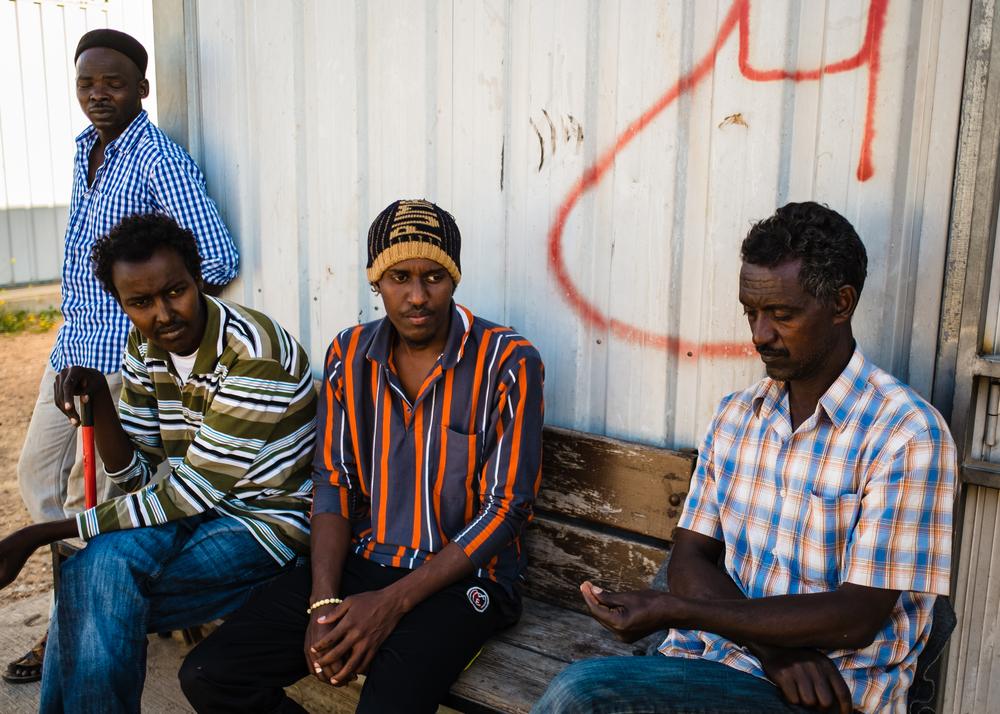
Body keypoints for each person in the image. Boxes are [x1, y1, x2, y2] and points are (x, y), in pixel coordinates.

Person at [532, 202, 955, 714]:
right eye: (750, 312)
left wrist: (677, 610)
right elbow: (689, 559)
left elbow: (857, 614)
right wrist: (771, 649)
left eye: (782, 315)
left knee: (583, 694)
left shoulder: (906, 434)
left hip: (828, 695)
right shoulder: (737, 415)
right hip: (718, 664)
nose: (759, 334)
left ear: (841, 304)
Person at [179, 199, 545, 713]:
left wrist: (389, 605)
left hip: (466, 580)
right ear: (376, 281)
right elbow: (333, 481)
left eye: (434, 277)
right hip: (365, 561)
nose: (417, 296)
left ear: (454, 279)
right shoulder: (349, 355)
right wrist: (324, 602)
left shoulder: (507, 361)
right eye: (399, 277)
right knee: (210, 674)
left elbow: (506, 509)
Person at [0, 214, 314, 713]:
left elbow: (189, 493)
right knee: (95, 578)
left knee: (92, 586)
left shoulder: (254, 353)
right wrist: (100, 399)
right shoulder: (145, 348)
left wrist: (39, 534)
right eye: (141, 303)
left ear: (198, 278)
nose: (164, 314)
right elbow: (137, 476)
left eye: (175, 291)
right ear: (123, 305)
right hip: (198, 513)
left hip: (268, 525)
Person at [8, 28, 239, 685]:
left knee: (97, 500)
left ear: (142, 87)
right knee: (36, 474)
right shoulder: (86, 150)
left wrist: (149, 319)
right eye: (87, 83)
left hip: (119, 363)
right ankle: (90, 602)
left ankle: (73, 627)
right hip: (71, 352)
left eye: (113, 83)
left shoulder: (158, 158)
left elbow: (218, 257)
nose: (98, 94)